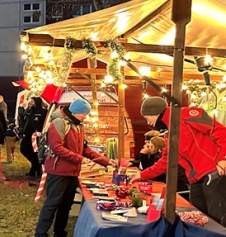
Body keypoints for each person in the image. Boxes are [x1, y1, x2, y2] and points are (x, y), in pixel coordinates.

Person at [129, 97, 226, 226]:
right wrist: (142, 175)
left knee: (216, 219)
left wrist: (222, 158)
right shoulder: (169, 134)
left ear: (155, 113)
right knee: (198, 219)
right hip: (195, 179)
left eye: (148, 118)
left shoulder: (187, 115)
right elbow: (165, 162)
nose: (149, 123)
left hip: (213, 172)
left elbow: (220, 131)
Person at [35, 99, 115, 237]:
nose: (85, 116)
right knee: (52, 203)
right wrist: (79, 159)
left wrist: (106, 162)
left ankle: (59, 232)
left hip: (72, 171)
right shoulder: (59, 123)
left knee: (66, 204)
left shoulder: (79, 126)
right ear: (75, 112)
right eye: (84, 114)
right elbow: (57, 147)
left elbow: (84, 149)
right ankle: (40, 233)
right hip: (58, 170)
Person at [21, 97, 47, 178]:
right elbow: (24, 120)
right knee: (23, 149)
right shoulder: (29, 111)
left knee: (35, 152)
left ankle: (35, 169)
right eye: (30, 101)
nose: (31, 103)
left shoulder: (43, 112)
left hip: (36, 136)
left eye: (32, 101)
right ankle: (35, 165)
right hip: (27, 135)